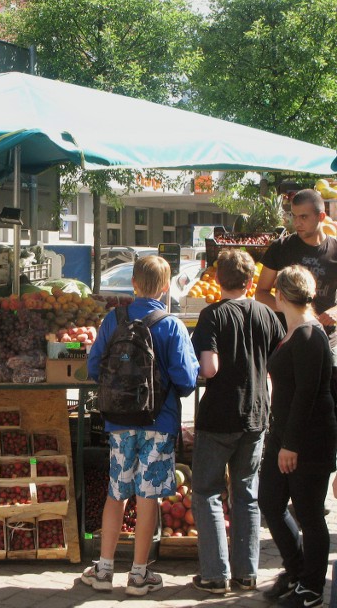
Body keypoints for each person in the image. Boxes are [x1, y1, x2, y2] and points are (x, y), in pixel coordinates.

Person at [81, 255, 199, 595]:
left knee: (116, 493)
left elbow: (93, 368)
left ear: (133, 283)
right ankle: (138, 574)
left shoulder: (113, 319)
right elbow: (187, 380)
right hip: (158, 423)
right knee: (148, 499)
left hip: (119, 422)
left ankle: (103, 570)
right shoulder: (171, 324)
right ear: (165, 287)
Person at [190, 250, 285, 594]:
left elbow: (209, 368)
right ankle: (247, 573)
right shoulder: (266, 313)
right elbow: (278, 360)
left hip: (219, 415)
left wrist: (197, 368)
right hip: (257, 415)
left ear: (218, 280)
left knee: (207, 492)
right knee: (247, 494)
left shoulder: (211, 315)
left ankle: (215, 575)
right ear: (249, 281)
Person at [258, 265, 336, 608]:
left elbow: (307, 395)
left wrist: (290, 444)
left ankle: (312, 588)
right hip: (284, 433)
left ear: (280, 294)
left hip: (308, 439)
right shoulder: (294, 331)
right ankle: (296, 569)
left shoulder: (308, 334)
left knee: (308, 513)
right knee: (271, 502)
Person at [255, 188, 337, 360]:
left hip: (326, 341)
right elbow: (261, 293)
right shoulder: (281, 247)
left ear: (321, 217)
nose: (297, 223)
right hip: (286, 339)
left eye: (304, 217)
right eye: (294, 216)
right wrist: (289, 309)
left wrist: (336, 311)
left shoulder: (335, 249)